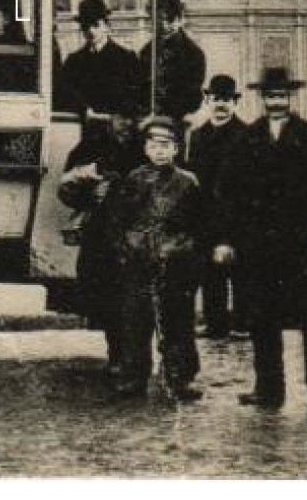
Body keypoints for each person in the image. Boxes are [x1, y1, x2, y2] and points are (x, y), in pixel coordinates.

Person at [212, 67, 307, 410]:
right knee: (262, 319)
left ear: (291, 98)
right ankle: (269, 389)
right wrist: (230, 237)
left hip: (302, 244)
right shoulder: (245, 141)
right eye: (271, 95)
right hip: (258, 246)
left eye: (282, 95)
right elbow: (225, 193)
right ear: (262, 98)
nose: (277, 101)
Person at [108, 115, 204, 401]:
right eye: (154, 144)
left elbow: (199, 226)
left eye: (166, 145)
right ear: (146, 148)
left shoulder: (188, 183)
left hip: (175, 264)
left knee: (177, 323)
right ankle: (133, 378)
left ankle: (179, 379)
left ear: (176, 149)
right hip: (139, 263)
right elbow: (118, 220)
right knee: (136, 322)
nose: (160, 150)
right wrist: (128, 246)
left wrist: (178, 248)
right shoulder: (134, 179)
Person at [58, 93, 146, 379]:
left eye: (132, 118)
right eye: (121, 118)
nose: (127, 124)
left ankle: (135, 356)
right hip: (102, 235)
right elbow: (67, 187)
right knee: (107, 296)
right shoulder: (92, 145)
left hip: (136, 233)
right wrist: (88, 188)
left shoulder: (145, 147)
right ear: (111, 118)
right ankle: (116, 352)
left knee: (134, 297)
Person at [184, 74, 249, 338]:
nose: (220, 105)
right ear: (207, 101)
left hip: (238, 215)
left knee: (241, 273)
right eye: (215, 99)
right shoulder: (197, 136)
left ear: (234, 103)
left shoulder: (246, 134)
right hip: (206, 215)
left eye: (226, 99)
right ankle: (216, 323)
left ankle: (243, 324)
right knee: (210, 272)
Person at [58, 0, 142, 132]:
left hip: (117, 134)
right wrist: (83, 109)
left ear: (107, 26)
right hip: (84, 131)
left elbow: (136, 97)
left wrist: (119, 115)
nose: (91, 31)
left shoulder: (126, 59)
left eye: (96, 25)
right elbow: (64, 93)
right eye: (86, 26)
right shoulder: (73, 61)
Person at [137, 0, 207, 134]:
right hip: (147, 121)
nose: (163, 25)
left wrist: (163, 117)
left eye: (169, 19)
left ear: (180, 20)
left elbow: (191, 97)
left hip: (176, 123)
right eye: (158, 19)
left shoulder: (193, 54)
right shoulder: (146, 51)